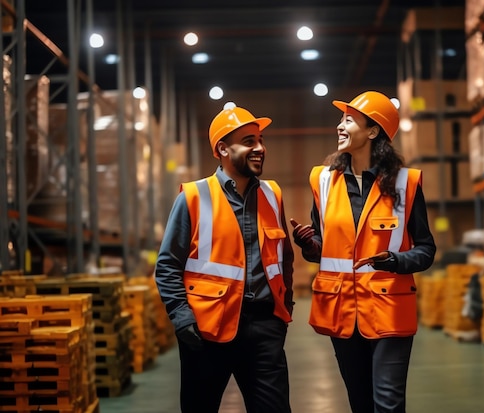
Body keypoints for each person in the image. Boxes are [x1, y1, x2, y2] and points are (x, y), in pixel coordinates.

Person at [290, 90, 437, 413]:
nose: (340, 127)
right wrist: (308, 244)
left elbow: (426, 250)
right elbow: (322, 251)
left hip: (388, 307)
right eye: (341, 120)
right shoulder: (323, 181)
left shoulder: (405, 184)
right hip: (342, 309)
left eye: (349, 120)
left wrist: (396, 261)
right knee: (359, 401)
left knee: (387, 402)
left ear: (373, 132)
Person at [155, 105, 294, 413]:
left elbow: (284, 259)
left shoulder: (272, 194)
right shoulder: (193, 196)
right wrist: (182, 318)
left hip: (263, 328)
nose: (259, 148)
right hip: (205, 330)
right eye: (248, 141)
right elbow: (167, 265)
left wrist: (283, 311)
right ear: (222, 149)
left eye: (260, 140)